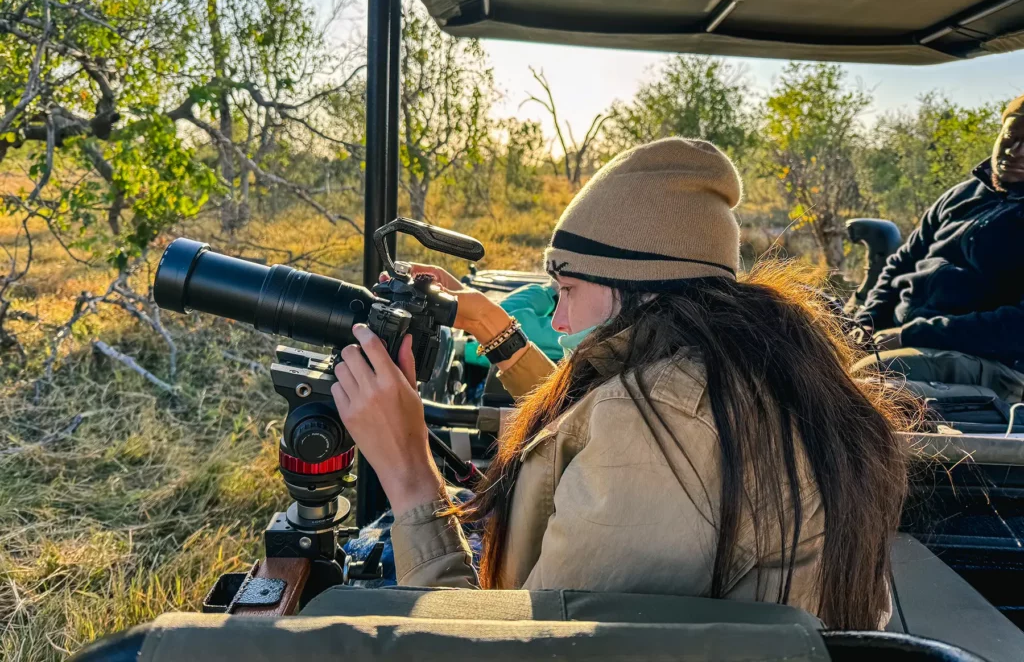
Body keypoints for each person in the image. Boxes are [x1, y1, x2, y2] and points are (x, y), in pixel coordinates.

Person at [330, 138, 914, 631]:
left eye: (566, 290)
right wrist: (493, 330)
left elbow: (524, 651)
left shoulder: (666, 430)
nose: (556, 320)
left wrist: (408, 475)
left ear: (635, 285)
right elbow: (589, 420)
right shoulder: (726, 373)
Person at [852, 95, 1024, 403]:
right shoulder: (962, 195)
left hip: (994, 363)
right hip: (905, 335)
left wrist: (912, 335)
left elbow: (1016, 328)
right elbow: (902, 262)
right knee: (805, 349)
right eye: (1011, 137)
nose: (1014, 151)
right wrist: (869, 320)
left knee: (863, 379)